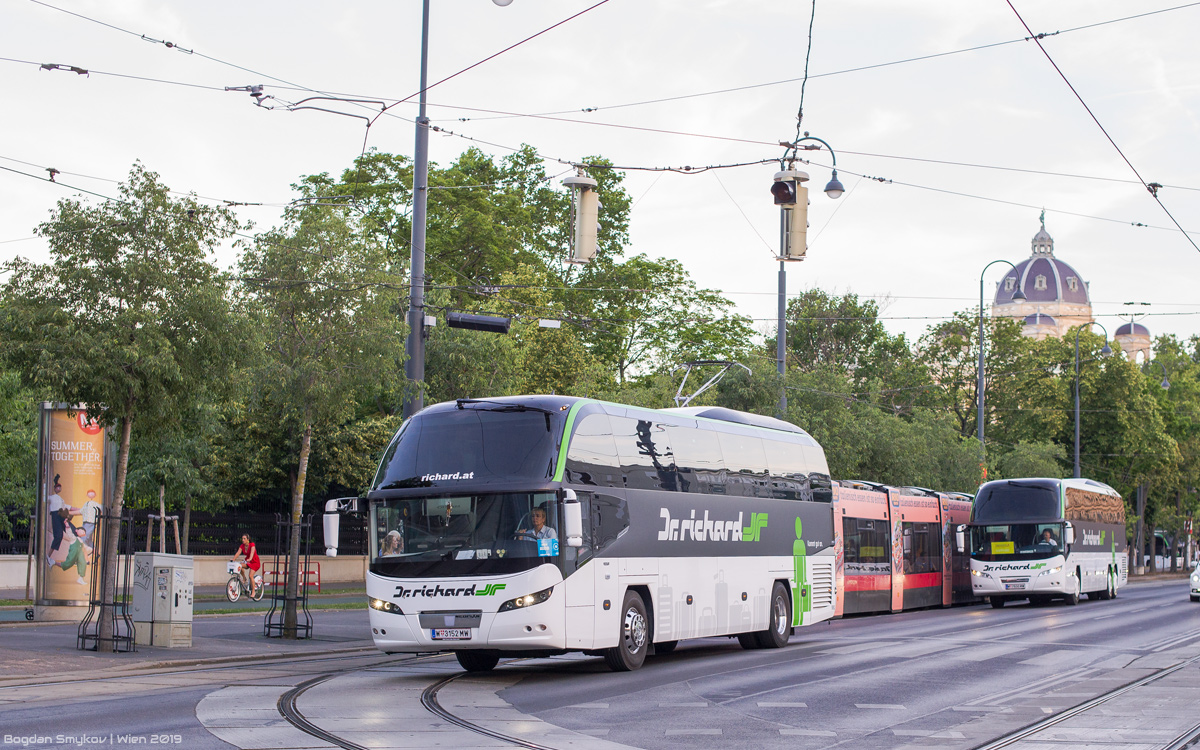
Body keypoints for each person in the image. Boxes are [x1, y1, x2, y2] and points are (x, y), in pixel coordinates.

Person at [231, 534, 261, 598]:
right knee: (239, 566)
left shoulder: (252, 544)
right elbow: (238, 552)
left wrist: (250, 559)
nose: (243, 540)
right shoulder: (242, 546)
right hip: (248, 561)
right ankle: (244, 578)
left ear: (248, 539)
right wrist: (233, 559)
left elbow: (252, 552)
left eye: (244, 539)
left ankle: (253, 591)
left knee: (251, 575)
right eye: (242, 539)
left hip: (255, 562)